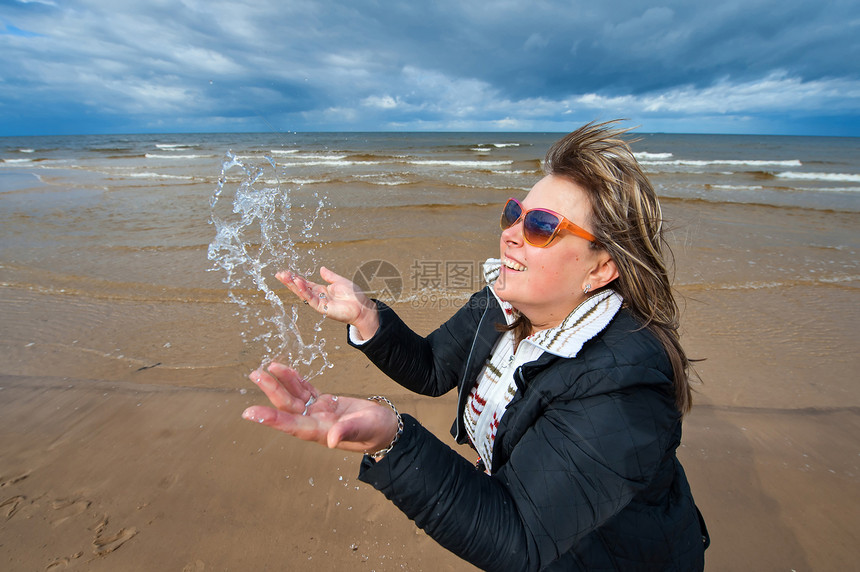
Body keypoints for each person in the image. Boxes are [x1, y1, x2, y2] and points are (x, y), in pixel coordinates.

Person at [242, 121, 709, 571]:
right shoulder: (503, 303)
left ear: (601, 269)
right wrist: (368, 317)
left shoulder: (622, 384)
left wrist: (394, 440)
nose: (510, 234)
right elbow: (432, 368)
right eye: (514, 214)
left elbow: (521, 537)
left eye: (542, 226)